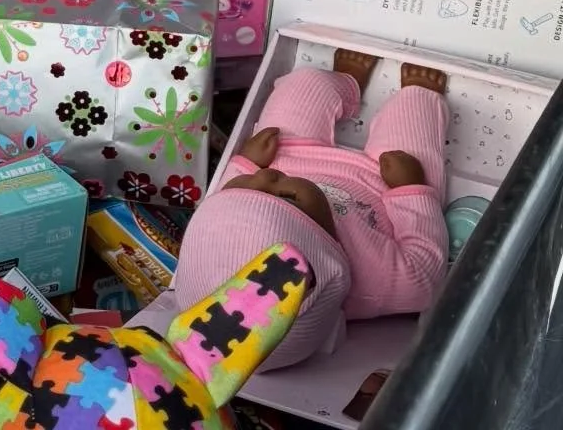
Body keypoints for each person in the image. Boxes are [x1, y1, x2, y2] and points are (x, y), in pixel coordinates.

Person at [135, 48, 450, 370]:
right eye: (286, 196)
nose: (266, 178)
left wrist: (247, 163)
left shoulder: (261, 180)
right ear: (325, 247)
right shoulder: (373, 279)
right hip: (378, 184)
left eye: (245, 188)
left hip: (293, 156)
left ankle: (344, 82)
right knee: (414, 134)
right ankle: (420, 95)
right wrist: (411, 191)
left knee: (301, 89)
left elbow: (231, 190)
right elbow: (425, 273)